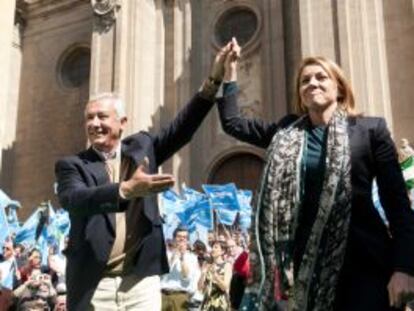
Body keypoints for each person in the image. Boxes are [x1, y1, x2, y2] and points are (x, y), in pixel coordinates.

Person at [217, 38, 414, 310]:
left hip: (365, 267)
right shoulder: (286, 133)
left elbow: (398, 205)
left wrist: (404, 268)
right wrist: (229, 73)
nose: (313, 83)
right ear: (300, 94)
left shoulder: (370, 131)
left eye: (321, 77)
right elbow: (233, 123)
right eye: (305, 80)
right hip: (304, 273)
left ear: (339, 88)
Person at [54, 44, 231, 310]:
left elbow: (181, 130)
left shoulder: (142, 147)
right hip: (94, 283)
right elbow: (74, 199)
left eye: (102, 116)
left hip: (141, 282)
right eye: (89, 118)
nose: (94, 123)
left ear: (122, 122)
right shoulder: (72, 165)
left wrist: (213, 82)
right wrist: (125, 190)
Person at [161, 226, 200, 310]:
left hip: (180, 296)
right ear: (174, 239)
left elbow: (187, 277)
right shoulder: (165, 254)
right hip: (163, 295)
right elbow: (162, 273)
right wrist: (173, 257)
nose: (182, 239)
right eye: (179, 237)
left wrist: (182, 258)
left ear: (188, 240)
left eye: (184, 237)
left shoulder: (192, 257)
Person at [198, 240, 232, 311]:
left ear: (222, 251)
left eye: (216, 247)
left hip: (220, 304)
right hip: (207, 303)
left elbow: (225, 287)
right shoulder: (206, 264)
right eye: (212, 247)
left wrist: (215, 275)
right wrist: (203, 274)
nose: (213, 249)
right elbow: (200, 288)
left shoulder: (227, 265)